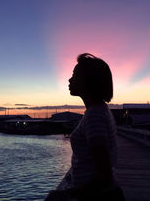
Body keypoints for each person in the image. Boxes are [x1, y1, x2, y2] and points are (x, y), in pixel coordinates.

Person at [45, 53, 125, 201]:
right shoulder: (99, 110)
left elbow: (105, 176)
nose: (69, 79)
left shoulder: (94, 115)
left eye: (74, 75)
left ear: (89, 81)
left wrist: (68, 194)